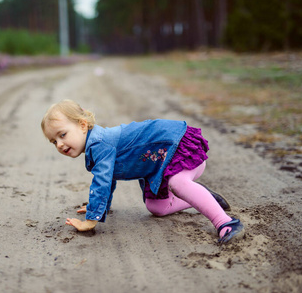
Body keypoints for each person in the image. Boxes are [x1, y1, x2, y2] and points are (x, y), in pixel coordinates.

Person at [41, 99, 244, 244]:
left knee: (178, 184)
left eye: (62, 135)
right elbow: (109, 179)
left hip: (176, 146)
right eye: (53, 141)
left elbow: (101, 182)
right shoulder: (95, 146)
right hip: (158, 164)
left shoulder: (99, 143)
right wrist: (100, 207)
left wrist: (91, 220)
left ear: (83, 125)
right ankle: (205, 197)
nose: (59, 144)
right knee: (157, 207)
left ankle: (226, 223)